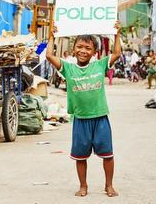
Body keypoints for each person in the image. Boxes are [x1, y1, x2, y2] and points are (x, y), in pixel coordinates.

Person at [46, 21, 121, 198]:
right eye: (79, 47)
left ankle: (109, 185)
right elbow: (49, 55)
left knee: (107, 155)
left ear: (94, 52)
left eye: (88, 48)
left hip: (100, 117)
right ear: (74, 49)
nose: (83, 51)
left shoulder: (100, 65)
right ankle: (83, 186)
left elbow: (117, 53)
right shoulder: (68, 68)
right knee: (80, 156)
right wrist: (51, 35)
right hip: (80, 118)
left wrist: (117, 33)